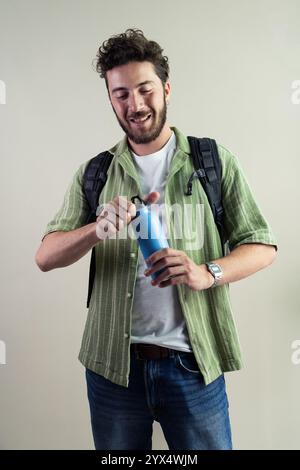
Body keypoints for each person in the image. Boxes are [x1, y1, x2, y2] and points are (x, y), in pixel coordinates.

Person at [35, 28, 278, 450]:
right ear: (110, 99)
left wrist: (207, 272)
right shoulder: (95, 172)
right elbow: (45, 256)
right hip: (113, 370)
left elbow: (261, 245)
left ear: (166, 88)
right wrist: (96, 228)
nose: (135, 104)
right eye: (121, 94)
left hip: (193, 366)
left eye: (145, 89)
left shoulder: (213, 162)